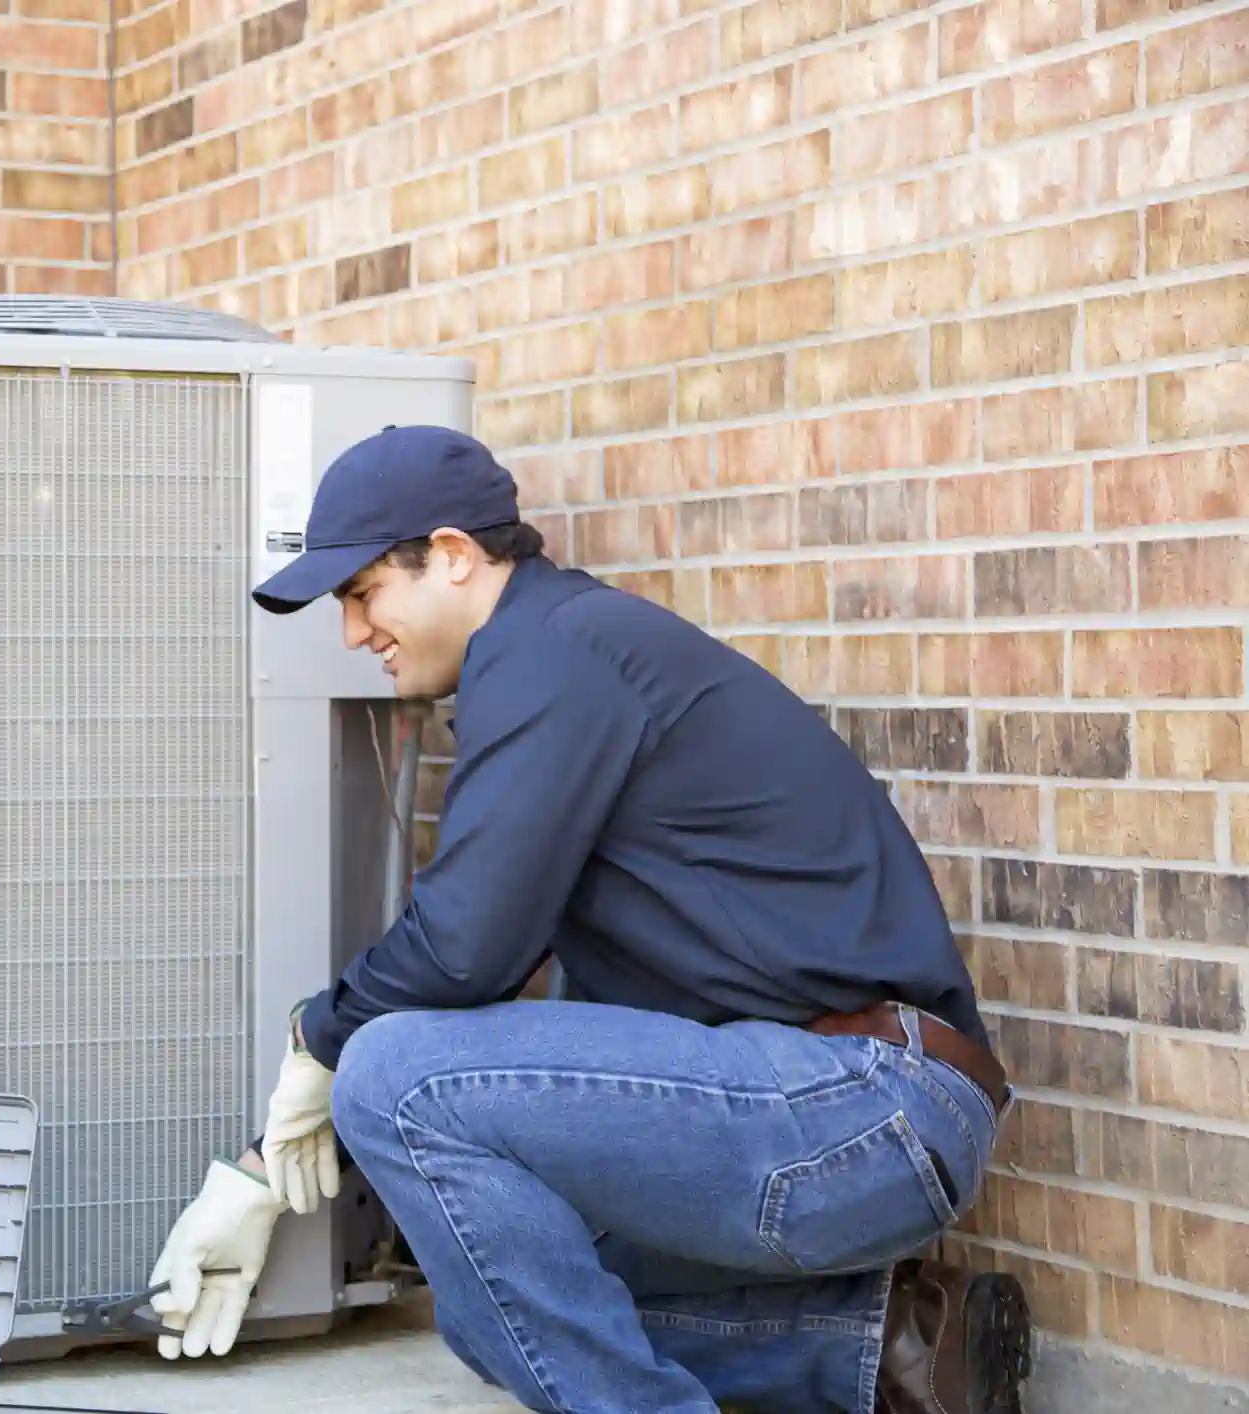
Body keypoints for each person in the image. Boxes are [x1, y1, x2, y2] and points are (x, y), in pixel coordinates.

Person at [141, 426, 1034, 1414]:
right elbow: (507, 990)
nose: (354, 633)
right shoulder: (557, 659)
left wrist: (317, 1046)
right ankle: (890, 1351)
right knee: (495, 1301)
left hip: (865, 1105)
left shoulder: (552, 657)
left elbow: (460, 952)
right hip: (829, 1112)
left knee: (393, 1070)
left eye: (361, 595)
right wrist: (270, 1164)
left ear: (450, 555)